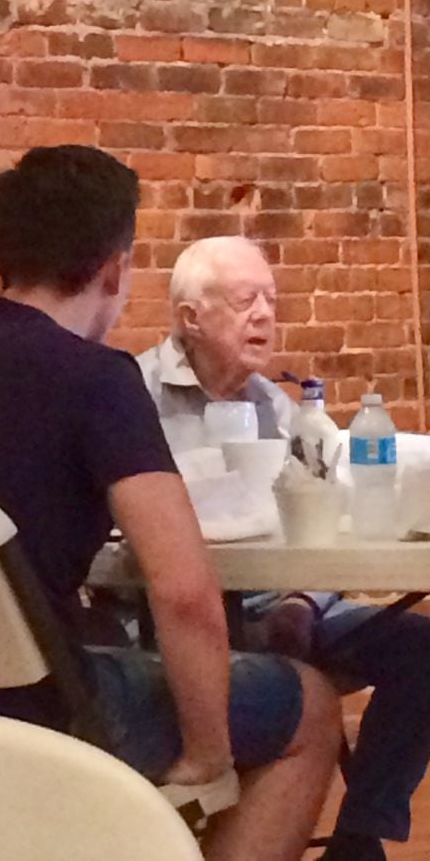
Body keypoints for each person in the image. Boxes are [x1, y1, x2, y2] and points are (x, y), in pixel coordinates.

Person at [0, 145, 340, 861]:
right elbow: (182, 591)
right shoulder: (98, 378)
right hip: (44, 707)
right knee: (313, 704)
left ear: (3, 252)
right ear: (115, 267)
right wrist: (208, 757)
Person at [137, 235, 430, 861]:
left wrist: (303, 599)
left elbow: (312, 525)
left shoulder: (276, 405)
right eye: (246, 301)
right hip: (178, 620)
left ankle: (357, 837)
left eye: (270, 299)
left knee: (423, 648)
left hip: (279, 608)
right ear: (191, 316)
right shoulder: (135, 396)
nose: (266, 315)